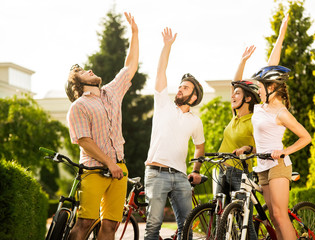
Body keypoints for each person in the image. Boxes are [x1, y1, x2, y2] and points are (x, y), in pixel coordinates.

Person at [65, 12, 138, 240]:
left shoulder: (112, 92)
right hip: (94, 170)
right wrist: (109, 163)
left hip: (119, 168)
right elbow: (84, 141)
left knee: (110, 226)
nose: (90, 70)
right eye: (84, 72)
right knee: (85, 222)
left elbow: (131, 66)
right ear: (78, 84)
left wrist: (135, 33)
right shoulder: (78, 106)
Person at [248, 14, 312, 240]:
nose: (258, 90)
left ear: (272, 87)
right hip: (262, 165)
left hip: (278, 164)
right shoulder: (261, 106)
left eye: (261, 86)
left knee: (280, 214)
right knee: (273, 218)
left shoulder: (281, 112)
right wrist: (282, 30)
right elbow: (272, 62)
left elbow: (306, 138)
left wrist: (285, 151)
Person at [144, 27, 205, 240]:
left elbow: (200, 145)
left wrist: (195, 169)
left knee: (186, 227)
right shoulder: (163, 104)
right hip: (156, 173)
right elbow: (161, 72)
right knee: (152, 227)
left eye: (186, 88)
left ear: (194, 97)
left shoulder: (195, 121)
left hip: (180, 177)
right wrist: (166, 46)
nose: (180, 89)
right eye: (180, 86)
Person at [212, 45, 260, 240]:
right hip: (222, 170)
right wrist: (242, 61)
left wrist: (248, 148)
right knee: (219, 216)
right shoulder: (235, 116)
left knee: (242, 218)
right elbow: (234, 85)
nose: (233, 96)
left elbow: (260, 147)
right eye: (234, 93)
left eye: (238, 94)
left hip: (240, 172)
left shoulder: (253, 120)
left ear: (247, 98)